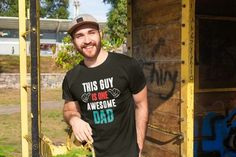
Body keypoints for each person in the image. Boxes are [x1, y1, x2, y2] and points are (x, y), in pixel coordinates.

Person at [62, 14, 148, 157]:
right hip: (90, 153)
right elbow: (69, 110)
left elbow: (141, 105)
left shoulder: (127, 65)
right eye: (79, 36)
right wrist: (74, 120)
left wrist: (139, 146)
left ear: (100, 34)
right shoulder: (72, 77)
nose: (87, 40)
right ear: (73, 42)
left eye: (91, 33)